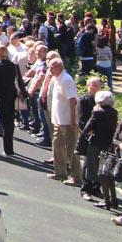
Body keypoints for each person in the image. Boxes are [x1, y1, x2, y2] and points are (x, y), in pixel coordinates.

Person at [43, 56, 80, 184]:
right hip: (57, 120)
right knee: (57, 146)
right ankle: (60, 172)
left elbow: (72, 101)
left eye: (52, 68)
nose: (50, 70)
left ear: (59, 67)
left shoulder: (66, 80)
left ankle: (76, 177)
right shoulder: (56, 79)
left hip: (67, 121)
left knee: (71, 149)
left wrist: (73, 120)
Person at [0, 42, 24, 156]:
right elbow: (19, 80)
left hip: (1, 95)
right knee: (10, 119)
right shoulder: (14, 66)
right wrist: (24, 93)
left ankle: (7, 148)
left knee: (4, 121)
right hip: (11, 93)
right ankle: (10, 147)